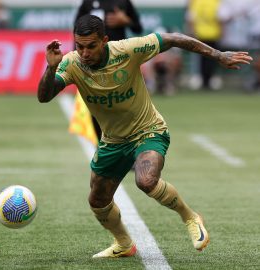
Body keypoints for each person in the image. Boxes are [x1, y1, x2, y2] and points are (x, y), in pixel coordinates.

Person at [37, 15, 252, 258]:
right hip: (113, 140)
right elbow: (44, 96)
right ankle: (123, 244)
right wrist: (51, 67)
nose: (84, 53)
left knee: (146, 180)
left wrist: (218, 55)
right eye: (79, 46)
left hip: (148, 130)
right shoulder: (72, 63)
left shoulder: (128, 50)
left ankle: (190, 217)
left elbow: (174, 39)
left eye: (91, 46)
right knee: (97, 199)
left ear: (105, 41)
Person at [74, 0, 143, 141]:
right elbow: (76, 31)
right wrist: (78, 58)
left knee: (123, 104)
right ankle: (101, 144)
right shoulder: (88, 3)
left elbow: (138, 28)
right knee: (96, 106)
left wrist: (126, 21)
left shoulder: (123, 2)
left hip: (119, 63)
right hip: (95, 65)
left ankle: (126, 142)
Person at [186, 0, 223, 90]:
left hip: (200, 35)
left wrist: (192, 32)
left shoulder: (195, 2)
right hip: (213, 34)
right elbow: (221, 18)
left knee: (202, 59)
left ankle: (204, 80)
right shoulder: (216, 2)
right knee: (212, 59)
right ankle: (208, 80)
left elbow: (191, 19)